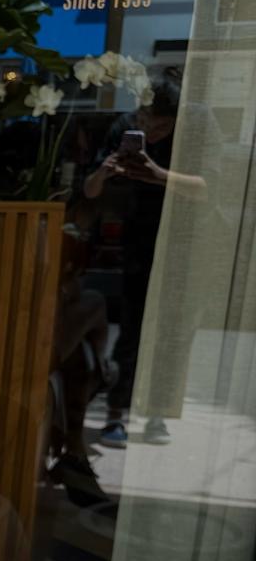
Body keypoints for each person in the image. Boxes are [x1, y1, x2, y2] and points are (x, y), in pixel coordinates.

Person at [81, 78, 209, 449]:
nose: (150, 131)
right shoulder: (124, 128)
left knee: (172, 332)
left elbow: (209, 186)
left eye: (161, 126)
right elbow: (89, 190)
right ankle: (116, 413)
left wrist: (159, 175)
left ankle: (157, 415)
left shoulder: (196, 129)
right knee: (132, 327)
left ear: (176, 120)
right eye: (145, 121)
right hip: (138, 239)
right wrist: (104, 173)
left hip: (185, 239)